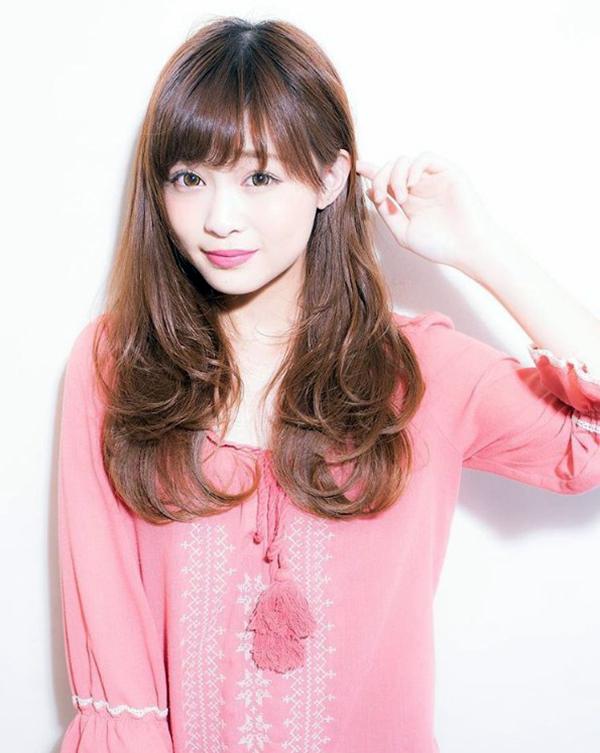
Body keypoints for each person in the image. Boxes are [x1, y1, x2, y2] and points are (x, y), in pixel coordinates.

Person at [56, 15, 600, 753]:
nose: (220, 219)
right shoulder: (117, 364)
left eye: (259, 177)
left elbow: (586, 444)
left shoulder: (417, 372)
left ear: (330, 177)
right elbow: (117, 682)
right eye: (190, 178)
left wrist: (481, 248)